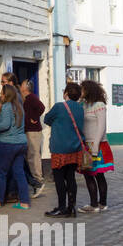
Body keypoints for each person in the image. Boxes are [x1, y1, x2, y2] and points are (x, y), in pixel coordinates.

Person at [43, 81, 85, 217]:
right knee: (71, 177)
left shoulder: (59, 107)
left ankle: (61, 206)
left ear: (66, 93)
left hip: (60, 148)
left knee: (59, 179)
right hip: (75, 148)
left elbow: (47, 119)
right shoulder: (80, 108)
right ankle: (71, 207)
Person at [0, 83, 30, 208]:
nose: (0, 95)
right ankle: (24, 202)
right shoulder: (20, 107)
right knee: (19, 172)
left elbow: (5, 125)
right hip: (21, 143)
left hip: (7, 144)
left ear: (7, 95)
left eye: (2, 93)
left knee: (1, 173)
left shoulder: (6, 107)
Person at [80, 80, 109, 212]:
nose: (81, 92)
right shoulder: (84, 105)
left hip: (97, 145)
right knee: (88, 174)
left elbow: (101, 127)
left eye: (83, 89)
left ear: (89, 90)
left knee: (98, 174)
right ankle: (94, 204)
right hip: (86, 145)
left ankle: (101, 203)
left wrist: (96, 146)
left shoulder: (99, 105)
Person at [21, 78, 46, 196]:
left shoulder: (31, 97)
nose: (20, 86)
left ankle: (39, 181)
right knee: (30, 156)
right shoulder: (26, 99)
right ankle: (36, 182)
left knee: (34, 156)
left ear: (26, 87)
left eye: (22, 84)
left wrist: (35, 118)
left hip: (33, 131)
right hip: (28, 131)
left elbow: (41, 107)